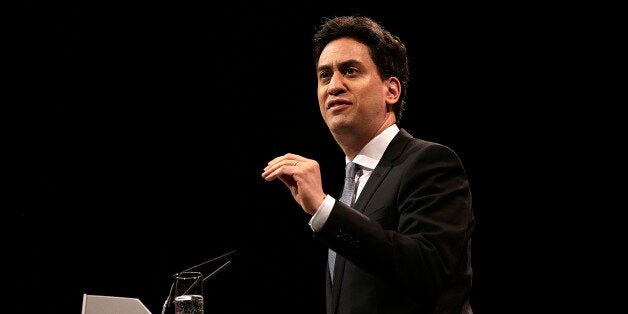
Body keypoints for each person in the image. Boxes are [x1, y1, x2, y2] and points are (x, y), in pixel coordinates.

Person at [261, 15, 474, 314]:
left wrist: (324, 209)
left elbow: (429, 271)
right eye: (324, 76)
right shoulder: (352, 184)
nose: (333, 86)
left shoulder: (430, 163)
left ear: (391, 91)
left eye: (350, 71)